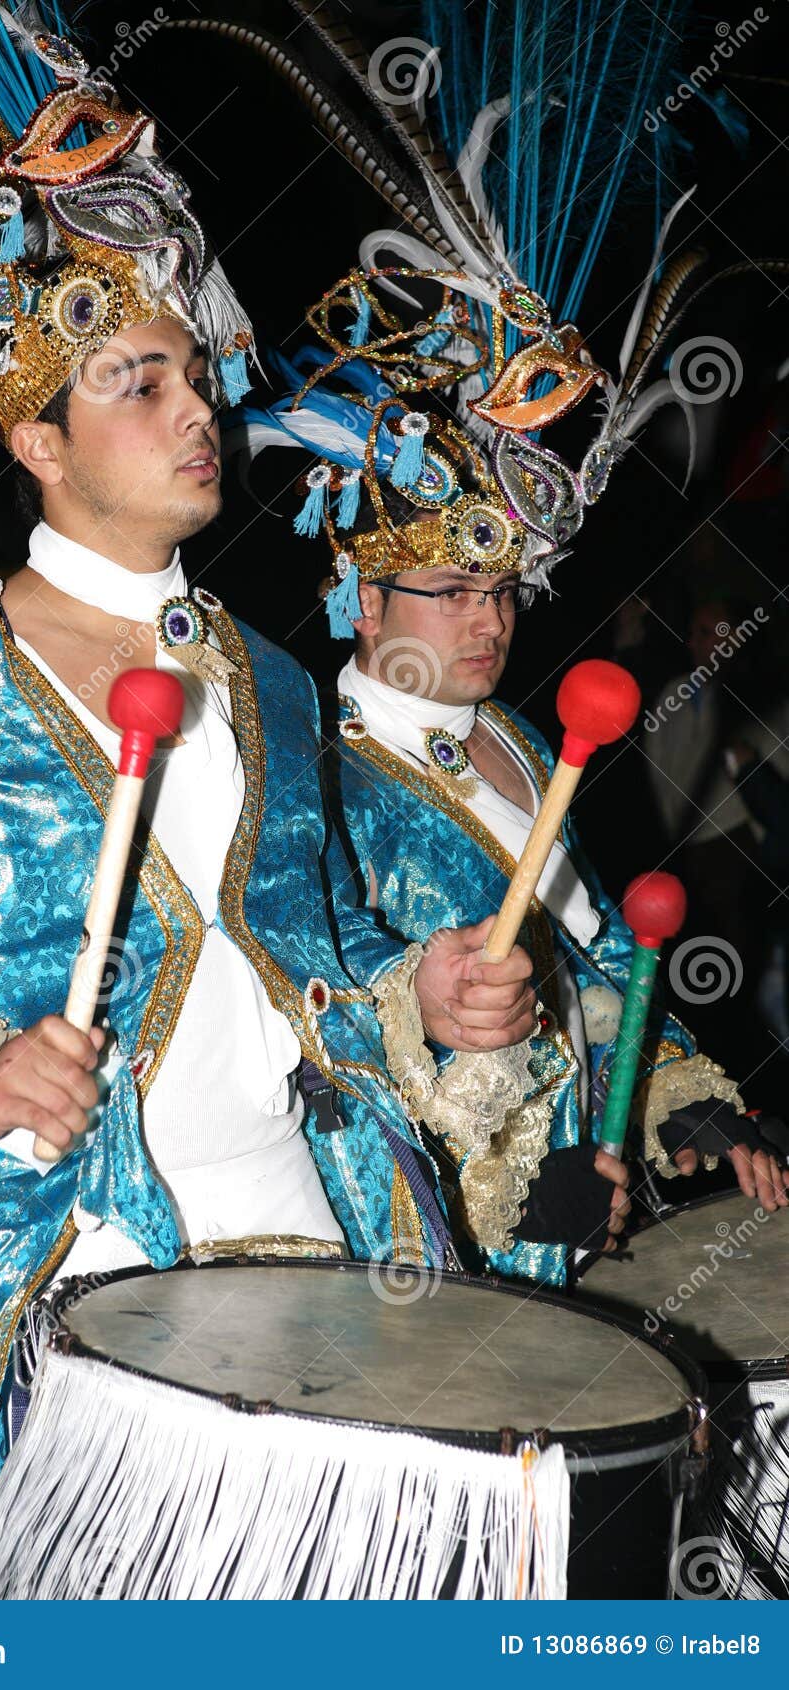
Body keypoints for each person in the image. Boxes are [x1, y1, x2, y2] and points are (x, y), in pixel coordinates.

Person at [0, 7, 534, 1600]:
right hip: (56, 1252)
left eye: (193, 376)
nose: (193, 413)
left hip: (324, 1222)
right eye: (135, 380)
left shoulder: (271, 676)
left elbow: (318, 944)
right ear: (36, 437)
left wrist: (417, 991)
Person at [241, 232, 789, 1288]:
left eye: (499, 593)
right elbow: (329, 1021)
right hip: (423, 1239)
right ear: (364, 602)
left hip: (589, 1199)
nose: (488, 620)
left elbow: (586, 968)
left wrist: (688, 1102)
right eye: (450, 591)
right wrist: (510, 1186)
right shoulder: (312, 774)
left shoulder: (518, 739)